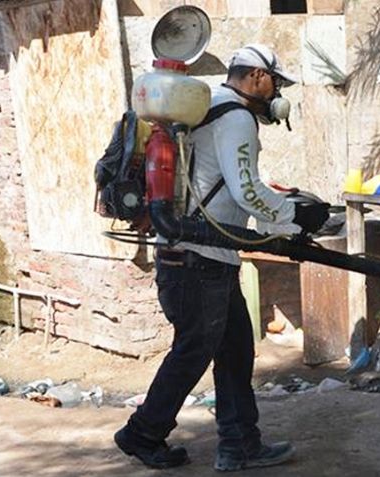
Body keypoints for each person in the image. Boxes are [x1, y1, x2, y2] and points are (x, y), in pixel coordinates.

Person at [114, 44, 329, 471]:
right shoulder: (236, 117)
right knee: (193, 352)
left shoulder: (207, 106)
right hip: (200, 261)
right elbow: (246, 190)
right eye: (275, 84)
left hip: (198, 256)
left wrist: (278, 215)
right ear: (257, 77)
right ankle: (142, 432)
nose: (275, 94)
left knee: (234, 352)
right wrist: (293, 215)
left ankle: (239, 445)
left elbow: (227, 183)